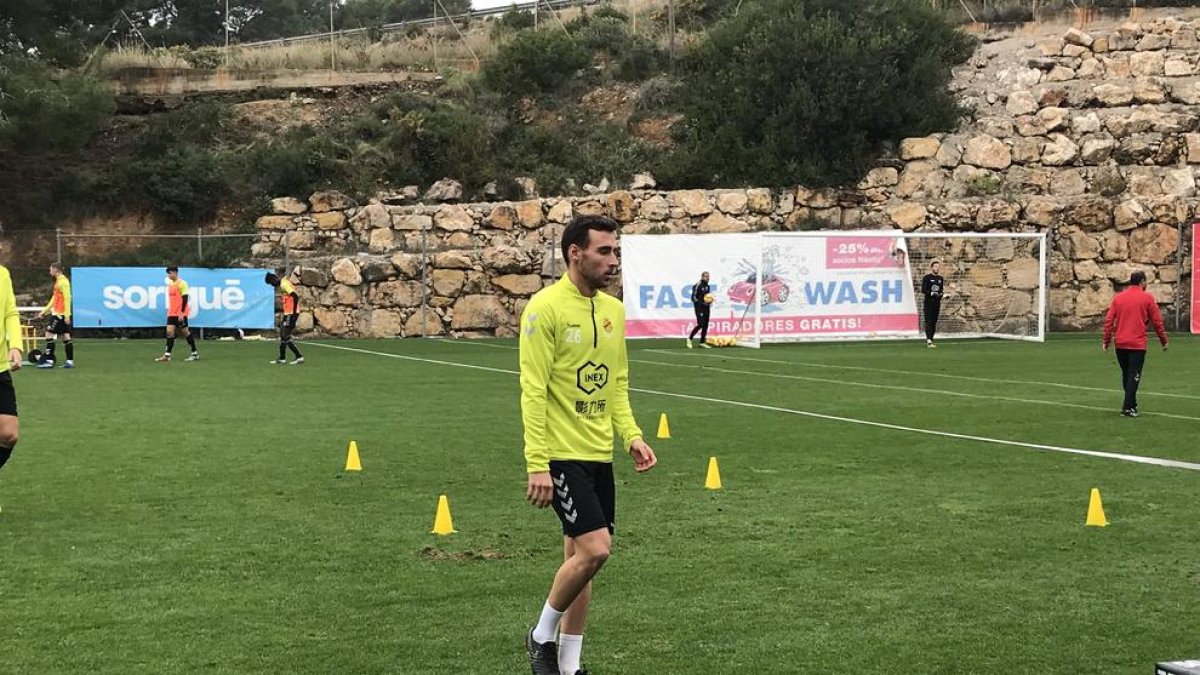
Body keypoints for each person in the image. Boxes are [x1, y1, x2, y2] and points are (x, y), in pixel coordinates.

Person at [519, 215, 658, 675]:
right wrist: (537, 463)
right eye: (604, 251)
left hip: (599, 453)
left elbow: (617, 383)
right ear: (574, 253)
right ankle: (540, 637)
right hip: (561, 454)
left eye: (615, 252)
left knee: (583, 562)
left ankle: (571, 666)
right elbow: (533, 389)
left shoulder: (614, 312)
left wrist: (632, 435)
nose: (613, 260)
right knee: (596, 550)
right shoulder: (544, 308)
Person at [1103, 271, 1169, 417]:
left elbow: (1108, 321)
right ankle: (1127, 408)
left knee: (1127, 374)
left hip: (1120, 344)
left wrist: (1106, 341)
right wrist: (1163, 340)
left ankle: (1131, 404)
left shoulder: (1119, 298)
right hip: (1137, 345)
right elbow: (1157, 322)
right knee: (1134, 375)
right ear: (1142, 282)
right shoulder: (1147, 298)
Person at [0, 262, 23, 503]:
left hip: (0, 367)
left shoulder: (3, 274)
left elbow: (9, 312)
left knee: (8, 434)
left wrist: (15, 345)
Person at [156, 266, 199, 363]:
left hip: (180, 313)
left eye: (170, 273)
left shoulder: (182, 283)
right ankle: (167, 356)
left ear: (175, 272)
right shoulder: (171, 284)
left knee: (185, 333)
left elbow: (185, 299)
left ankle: (194, 353)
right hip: (171, 313)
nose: (169, 275)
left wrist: (182, 313)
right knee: (169, 332)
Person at [38, 262, 75, 369]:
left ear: (55, 269)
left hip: (60, 314)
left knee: (49, 334)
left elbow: (67, 298)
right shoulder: (59, 282)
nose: (49, 271)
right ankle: (69, 361)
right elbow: (54, 299)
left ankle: (49, 361)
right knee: (65, 337)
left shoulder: (63, 282)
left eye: (50, 269)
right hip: (60, 313)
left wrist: (67, 315)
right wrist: (44, 311)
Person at [265, 271, 304, 365]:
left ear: (275, 279)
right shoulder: (283, 283)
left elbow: (295, 297)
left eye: (272, 283)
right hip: (288, 313)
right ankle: (282, 358)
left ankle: (299, 356)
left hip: (291, 313)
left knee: (285, 334)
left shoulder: (284, 284)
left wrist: (294, 313)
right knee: (282, 333)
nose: (273, 286)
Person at [920, 260, 945, 348]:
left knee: (934, 322)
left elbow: (941, 290)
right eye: (935, 267)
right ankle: (928, 340)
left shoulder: (940, 279)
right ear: (932, 268)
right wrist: (931, 293)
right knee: (929, 321)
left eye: (938, 267)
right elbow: (923, 290)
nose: (937, 268)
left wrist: (942, 295)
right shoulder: (926, 278)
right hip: (928, 303)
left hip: (937, 303)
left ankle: (931, 339)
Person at [687, 271, 713, 349]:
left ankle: (702, 342)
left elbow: (707, 297)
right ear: (702, 277)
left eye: (708, 276)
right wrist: (701, 303)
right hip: (699, 308)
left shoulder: (707, 286)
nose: (707, 278)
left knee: (705, 325)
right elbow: (693, 298)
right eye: (705, 276)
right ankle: (689, 339)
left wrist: (709, 301)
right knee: (700, 324)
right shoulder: (698, 285)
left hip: (706, 307)